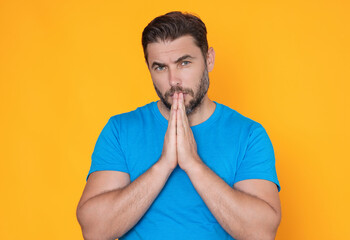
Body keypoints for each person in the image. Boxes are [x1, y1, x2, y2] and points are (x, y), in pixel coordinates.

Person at [76, 11, 281, 240]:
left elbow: (261, 233)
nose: (174, 81)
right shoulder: (120, 130)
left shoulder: (249, 135)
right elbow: (94, 231)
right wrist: (163, 165)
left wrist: (193, 164)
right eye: (160, 67)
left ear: (209, 59)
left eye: (184, 63)